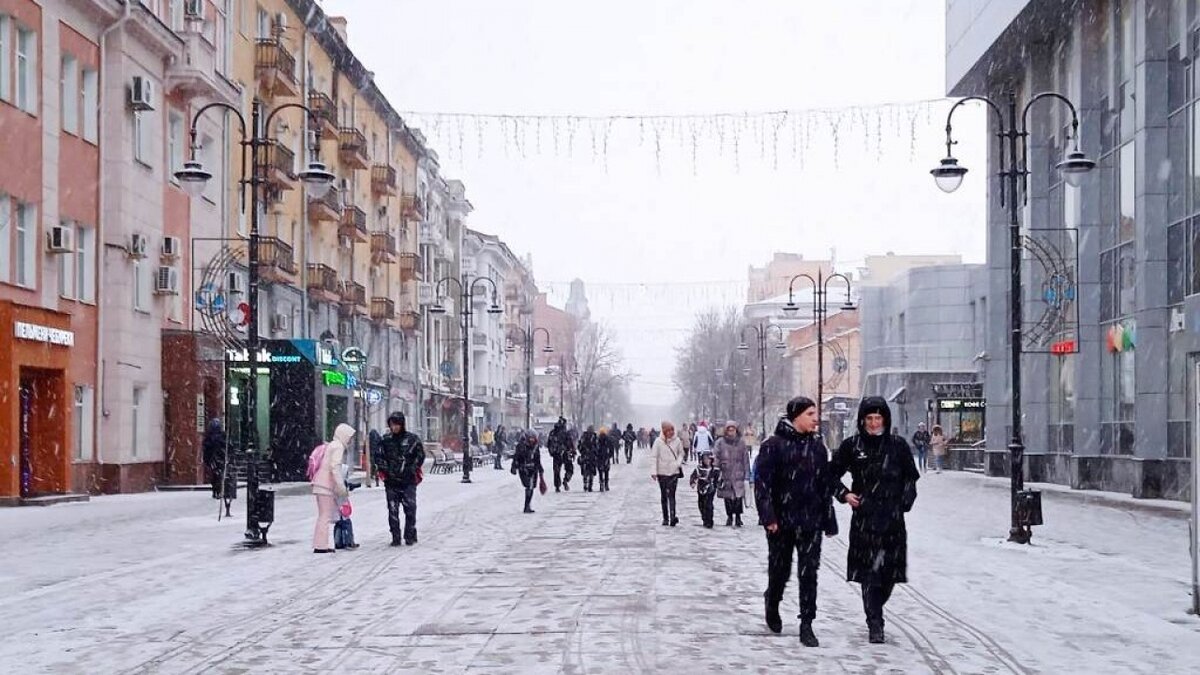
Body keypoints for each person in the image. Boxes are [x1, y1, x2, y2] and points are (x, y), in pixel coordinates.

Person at [829, 396, 920, 645]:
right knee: (870, 574)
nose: (873, 423)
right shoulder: (852, 446)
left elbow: (911, 478)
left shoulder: (897, 446)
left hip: (892, 520)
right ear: (862, 420)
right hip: (865, 521)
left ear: (885, 419)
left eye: (878, 418)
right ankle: (875, 622)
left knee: (889, 574)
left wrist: (905, 500)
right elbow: (829, 475)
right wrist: (845, 494)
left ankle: (876, 607)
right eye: (869, 418)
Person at [754, 397, 838, 647]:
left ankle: (807, 623)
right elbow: (762, 485)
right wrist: (768, 516)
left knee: (809, 573)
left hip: (811, 521)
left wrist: (828, 518)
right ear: (796, 416)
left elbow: (824, 485)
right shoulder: (773, 445)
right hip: (781, 522)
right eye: (811, 413)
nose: (815, 418)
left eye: (816, 413)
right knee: (780, 571)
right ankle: (772, 601)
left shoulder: (818, 447)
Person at [376, 412, 425, 546]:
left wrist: (412, 468)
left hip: (408, 481)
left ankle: (410, 534)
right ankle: (395, 536)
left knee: (410, 508)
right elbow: (379, 457)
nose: (394, 427)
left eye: (397, 424)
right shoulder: (385, 440)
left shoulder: (412, 440)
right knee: (393, 510)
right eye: (392, 425)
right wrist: (387, 470)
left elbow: (420, 455)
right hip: (391, 482)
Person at [312, 423, 354, 554]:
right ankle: (321, 546)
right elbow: (335, 467)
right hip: (326, 485)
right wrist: (340, 486)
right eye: (349, 437)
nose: (350, 440)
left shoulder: (331, 445)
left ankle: (320, 544)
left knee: (322, 516)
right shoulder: (338, 447)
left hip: (320, 483)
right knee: (325, 516)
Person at [714, 420, 749, 527]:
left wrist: (747, 474)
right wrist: (716, 468)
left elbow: (745, 459)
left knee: (738, 497)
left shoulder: (741, 443)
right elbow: (716, 456)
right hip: (726, 473)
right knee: (728, 498)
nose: (731, 432)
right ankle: (729, 516)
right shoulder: (720, 442)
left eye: (733, 429)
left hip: (738, 472)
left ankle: (738, 517)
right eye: (729, 430)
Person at [651, 421, 684, 526]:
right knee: (664, 495)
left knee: (672, 495)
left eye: (672, 430)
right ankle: (665, 517)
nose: (670, 432)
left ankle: (673, 516)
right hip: (662, 472)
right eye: (668, 430)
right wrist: (654, 472)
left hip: (674, 471)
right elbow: (654, 457)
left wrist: (677, 463)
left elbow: (681, 453)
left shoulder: (677, 441)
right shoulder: (658, 442)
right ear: (664, 431)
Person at [201, 418, 235, 517]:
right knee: (217, 475)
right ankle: (218, 490)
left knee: (218, 475)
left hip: (218, 458)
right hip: (216, 458)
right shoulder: (215, 437)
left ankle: (218, 490)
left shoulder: (216, 436)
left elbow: (226, 445)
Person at [511, 430, 545, 513]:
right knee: (528, 485)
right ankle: (526, 506)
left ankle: (528, 505)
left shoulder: (536, 447)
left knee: (531, 486)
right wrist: (514, 467)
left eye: (533, 438)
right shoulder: (521, 446)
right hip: (524, 468)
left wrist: (540, 469)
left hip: (533, 469)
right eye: (531, 438)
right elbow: (516, 457)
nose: (532, 440)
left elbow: (537, 459)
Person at [689, 452, 722, 528]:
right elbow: (693, 476)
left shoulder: (715, 469)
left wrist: (718, 484)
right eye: (705, 459)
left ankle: (709, 520)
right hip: (701, 488)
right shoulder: (699, 468)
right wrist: (693, 482)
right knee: (701, 504)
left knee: (709, 504)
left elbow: (719, 478)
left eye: (708, 459)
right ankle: (704, 518)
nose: (707, 461)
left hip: (711, 489)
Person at [548, 418, 572, 492]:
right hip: (565, 453)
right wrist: (572, 451)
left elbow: (549, 443)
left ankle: (557, 486)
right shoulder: (565, 433)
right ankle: (565, 480)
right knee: (569, 469)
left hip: (556, 454)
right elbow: (569, 443)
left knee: (556, 471)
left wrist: (551, 452)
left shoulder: (552, 432)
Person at [579, 425, 599, 492]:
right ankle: (586, 484)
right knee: (585, 471)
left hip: (592, 456)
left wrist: (595, 451)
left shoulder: (595, 437)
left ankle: (589, 485)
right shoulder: (584, 437)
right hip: (586, 456)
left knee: (591, 472)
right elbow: (580, 445)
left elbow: (597, 446)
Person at [596, 427, 614, 492]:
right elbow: (611, 448)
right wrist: (610, 455)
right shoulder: (607, 439)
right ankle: (605, 484)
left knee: (601, 471)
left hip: (601, 457)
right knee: (606, 471)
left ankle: (602, 484)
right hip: (604, 457)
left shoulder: (598, 439)